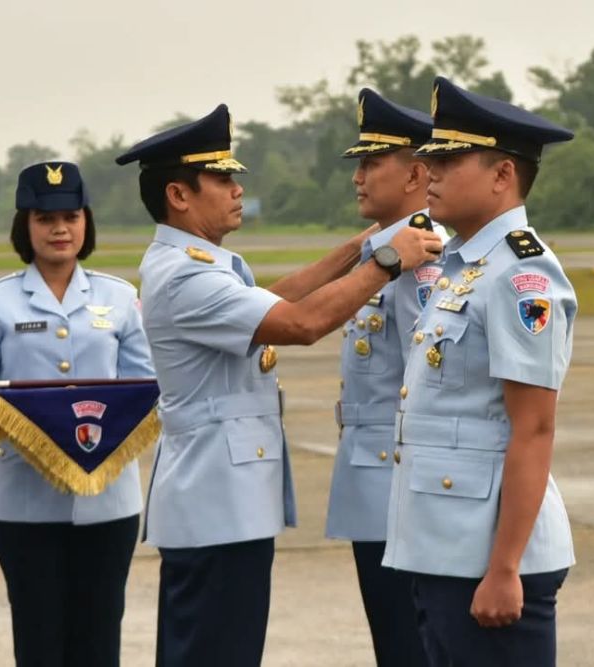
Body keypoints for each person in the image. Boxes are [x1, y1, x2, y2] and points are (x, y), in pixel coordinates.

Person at [114, 104, 443, 666]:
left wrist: (362, 246)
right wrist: (386, 259)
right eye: (222, 178)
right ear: (179, 195)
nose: (238, 189)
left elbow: (279, 297)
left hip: (225, 501)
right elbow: (300, 323)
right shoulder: (186, 275)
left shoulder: (198, 263)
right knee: (212, 652)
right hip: (215, 503)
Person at [384, 76, 577, 666]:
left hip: (487, 562)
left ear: (503, 175)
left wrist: (505, 568)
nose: (431, 173)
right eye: (430, 159)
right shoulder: (463, 267)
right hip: (444, 549)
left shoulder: (523, 278)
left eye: (450, 159)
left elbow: (534, 428)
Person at [0, 161, 154, 667]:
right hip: (24, 503)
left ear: (86, 222)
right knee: (38, 638)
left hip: (109, 502)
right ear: (26, 226)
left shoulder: (121, 298)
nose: (60, 229)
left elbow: (146, 389)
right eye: (45, 218)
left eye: (71, 216)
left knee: (100, 636)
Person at [326, 88, 446, 667]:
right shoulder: (382, 253)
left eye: (372, 163)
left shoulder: (421, 257)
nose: (359, 177)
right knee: (394, 641)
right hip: (375, 482)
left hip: (401, 490)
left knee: (409, 644)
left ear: (416, 174)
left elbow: (434, 383)